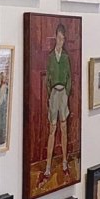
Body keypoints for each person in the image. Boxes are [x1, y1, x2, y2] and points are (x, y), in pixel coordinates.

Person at [39, 23, 71, 187]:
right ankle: (48, 167)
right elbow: (48, 80)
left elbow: (69, 78)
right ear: (56, 38)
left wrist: (66, 93)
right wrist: (50, 95)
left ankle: (65, 162)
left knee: (63, 127)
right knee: (52, 129)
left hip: (63, 93)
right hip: (53, 94)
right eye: (59, 38)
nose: (61, 41)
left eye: (63, 39)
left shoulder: (65, 57)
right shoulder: (51, 57)